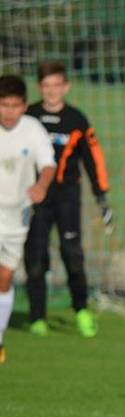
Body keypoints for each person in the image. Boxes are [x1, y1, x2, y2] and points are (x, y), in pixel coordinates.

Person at [25, 60, 112, 338]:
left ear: (66, 87)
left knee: (72, 253)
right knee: (35, 258)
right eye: (46, 86)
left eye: (57, 86)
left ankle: (81, 310)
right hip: (35, 196)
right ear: (40, 87)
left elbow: (93, 159)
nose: (51, 92)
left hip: (67, 196)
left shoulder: (77, 120)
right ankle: (37, 317)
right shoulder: (29, 117)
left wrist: (102, 197)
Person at [0, 74, 56, 364]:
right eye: (3, 105)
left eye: (14, 105)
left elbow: (47, 164)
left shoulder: (33, 130)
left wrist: (41, 186)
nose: (8, 112)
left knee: (5, 277)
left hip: (17, 215)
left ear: (24, 106)